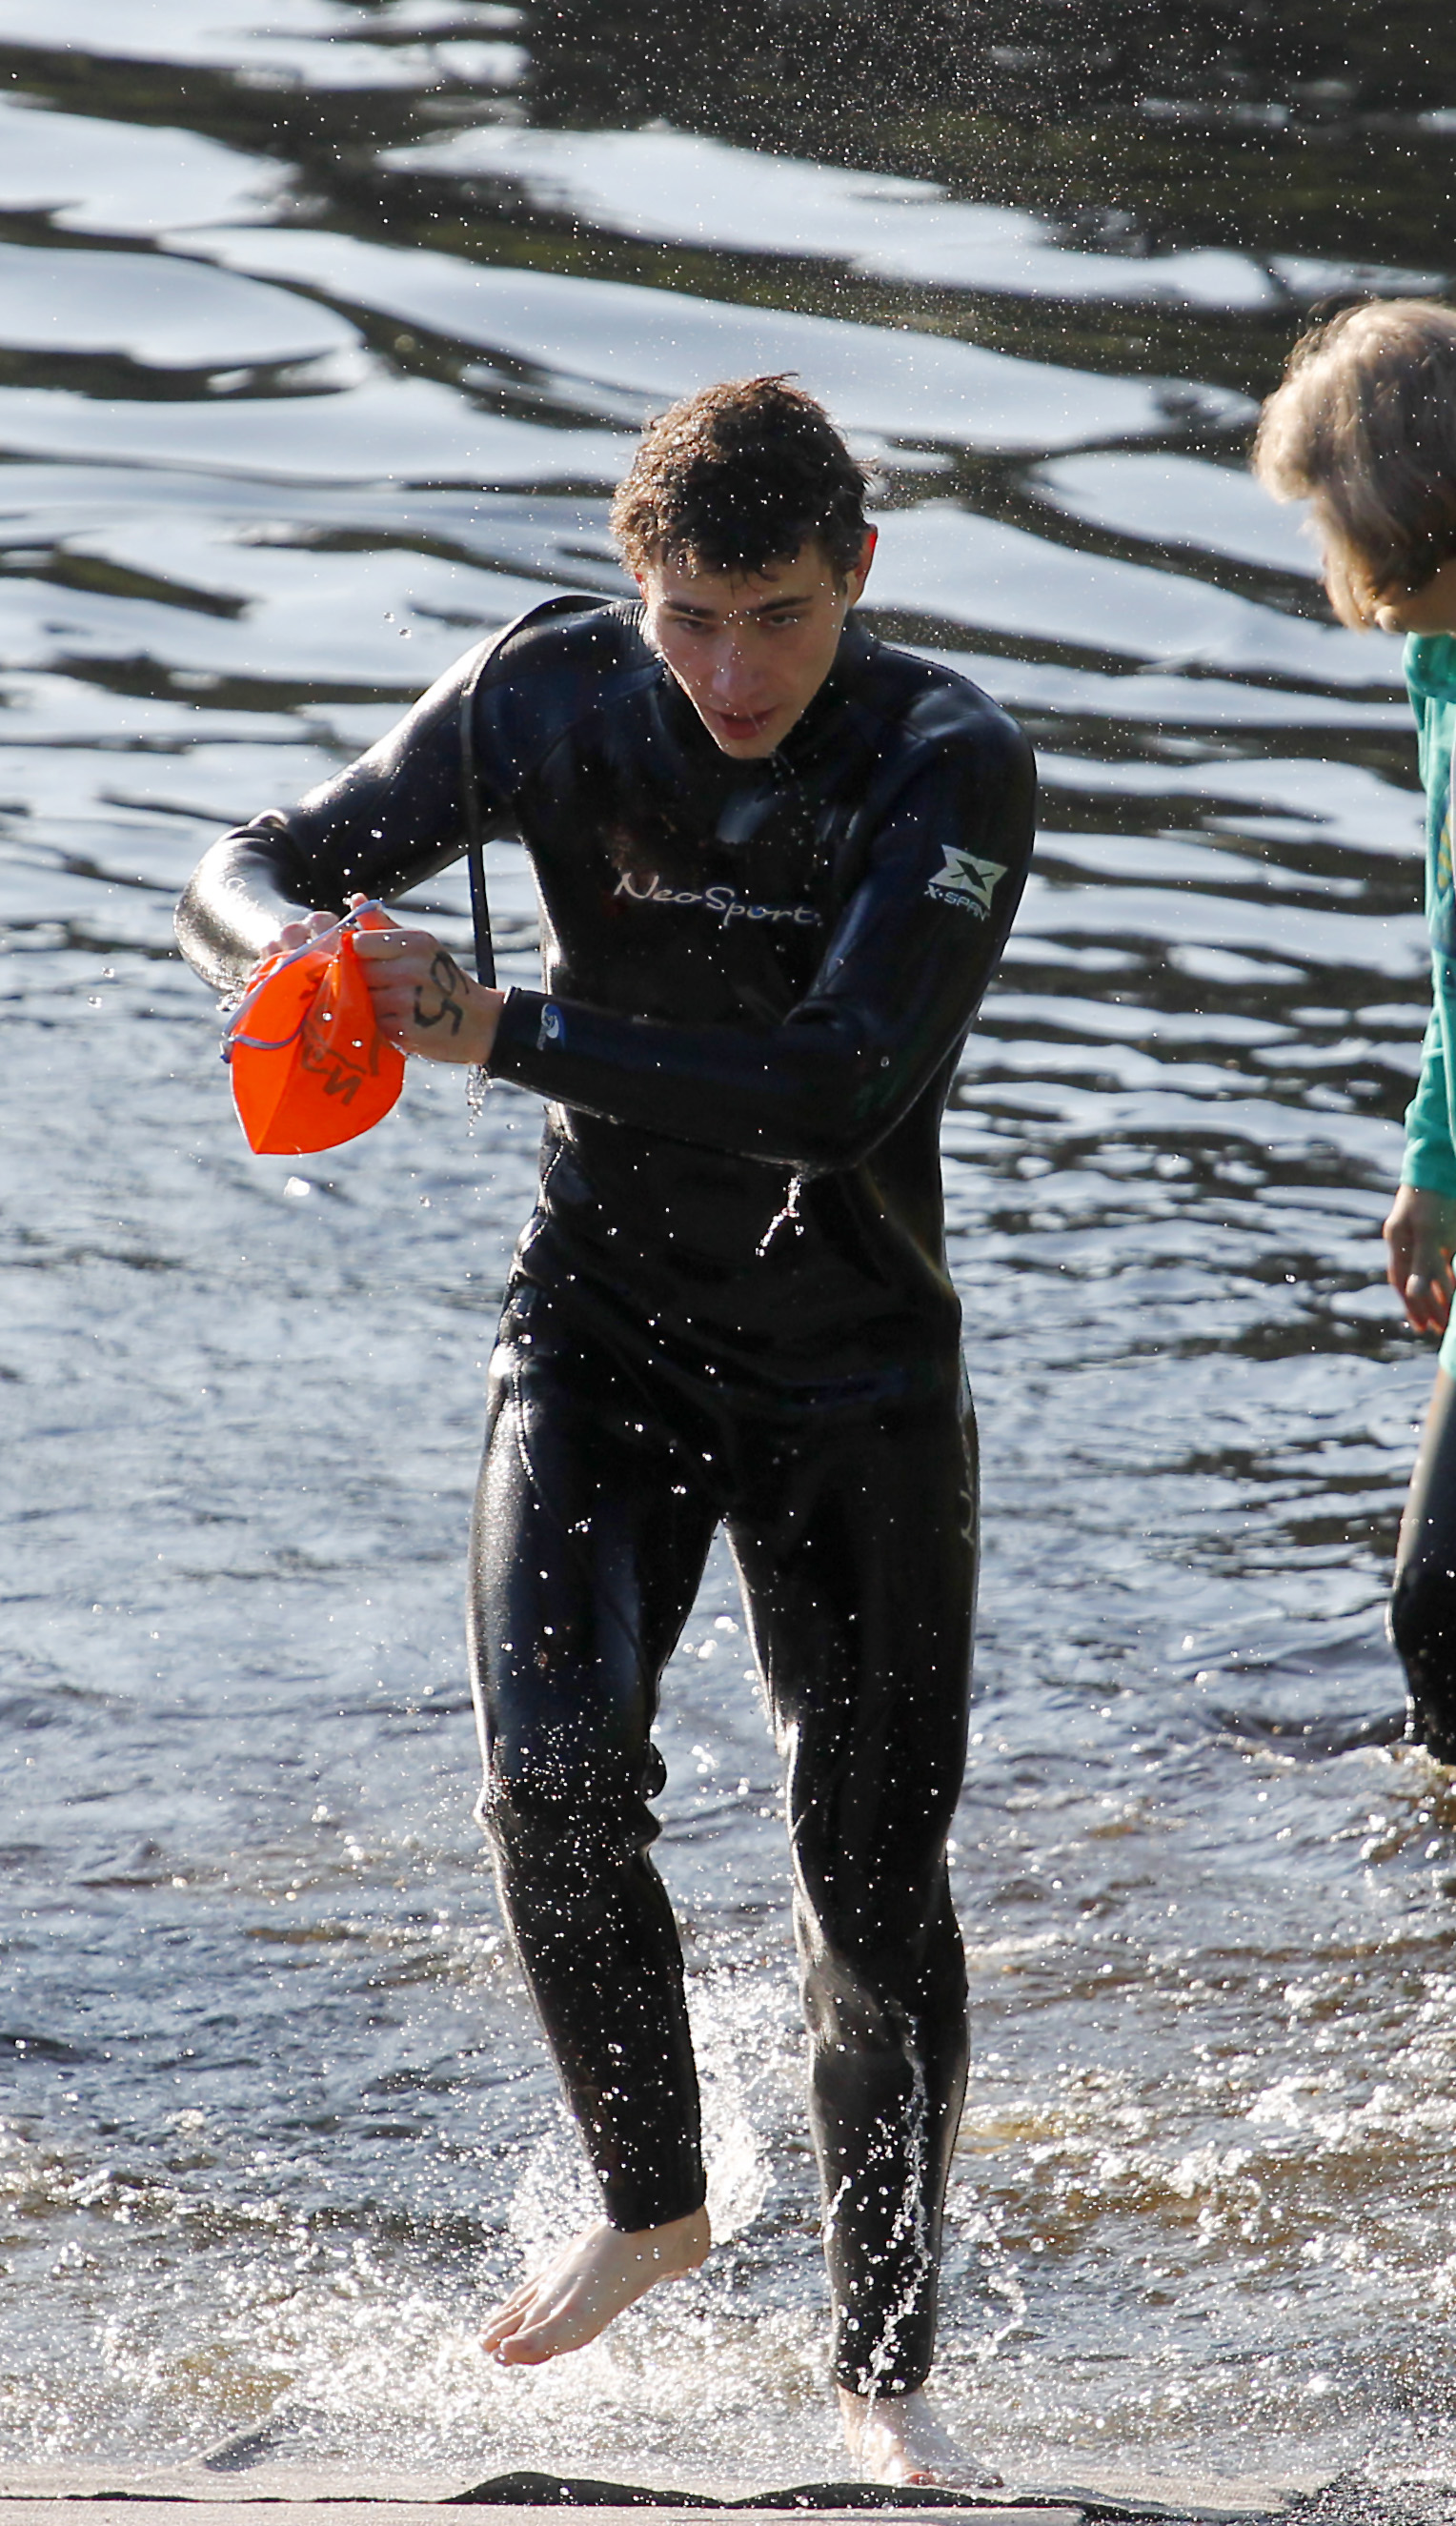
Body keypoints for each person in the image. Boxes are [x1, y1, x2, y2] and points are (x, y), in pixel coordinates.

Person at [175, 375, 1036, 2485]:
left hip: (855, 1375)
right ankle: (654, 2200)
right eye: (688, 621)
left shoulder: (947, 761)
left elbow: (838, 1088)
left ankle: (882, 2369)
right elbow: (241, 862)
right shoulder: (549, 693)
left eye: (776, 617)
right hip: (601, 1336)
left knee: (867, 1880)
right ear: (631, 584)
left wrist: (501, 1032)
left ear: (857, 571)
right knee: (551, 1780)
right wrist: (303, 955)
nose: (729, 674)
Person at [1255, 301, 1456, 1762]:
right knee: (1438, 1608)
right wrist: (1431, 1161)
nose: (1335, 562)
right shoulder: (1438, 664)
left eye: (1335, 518)